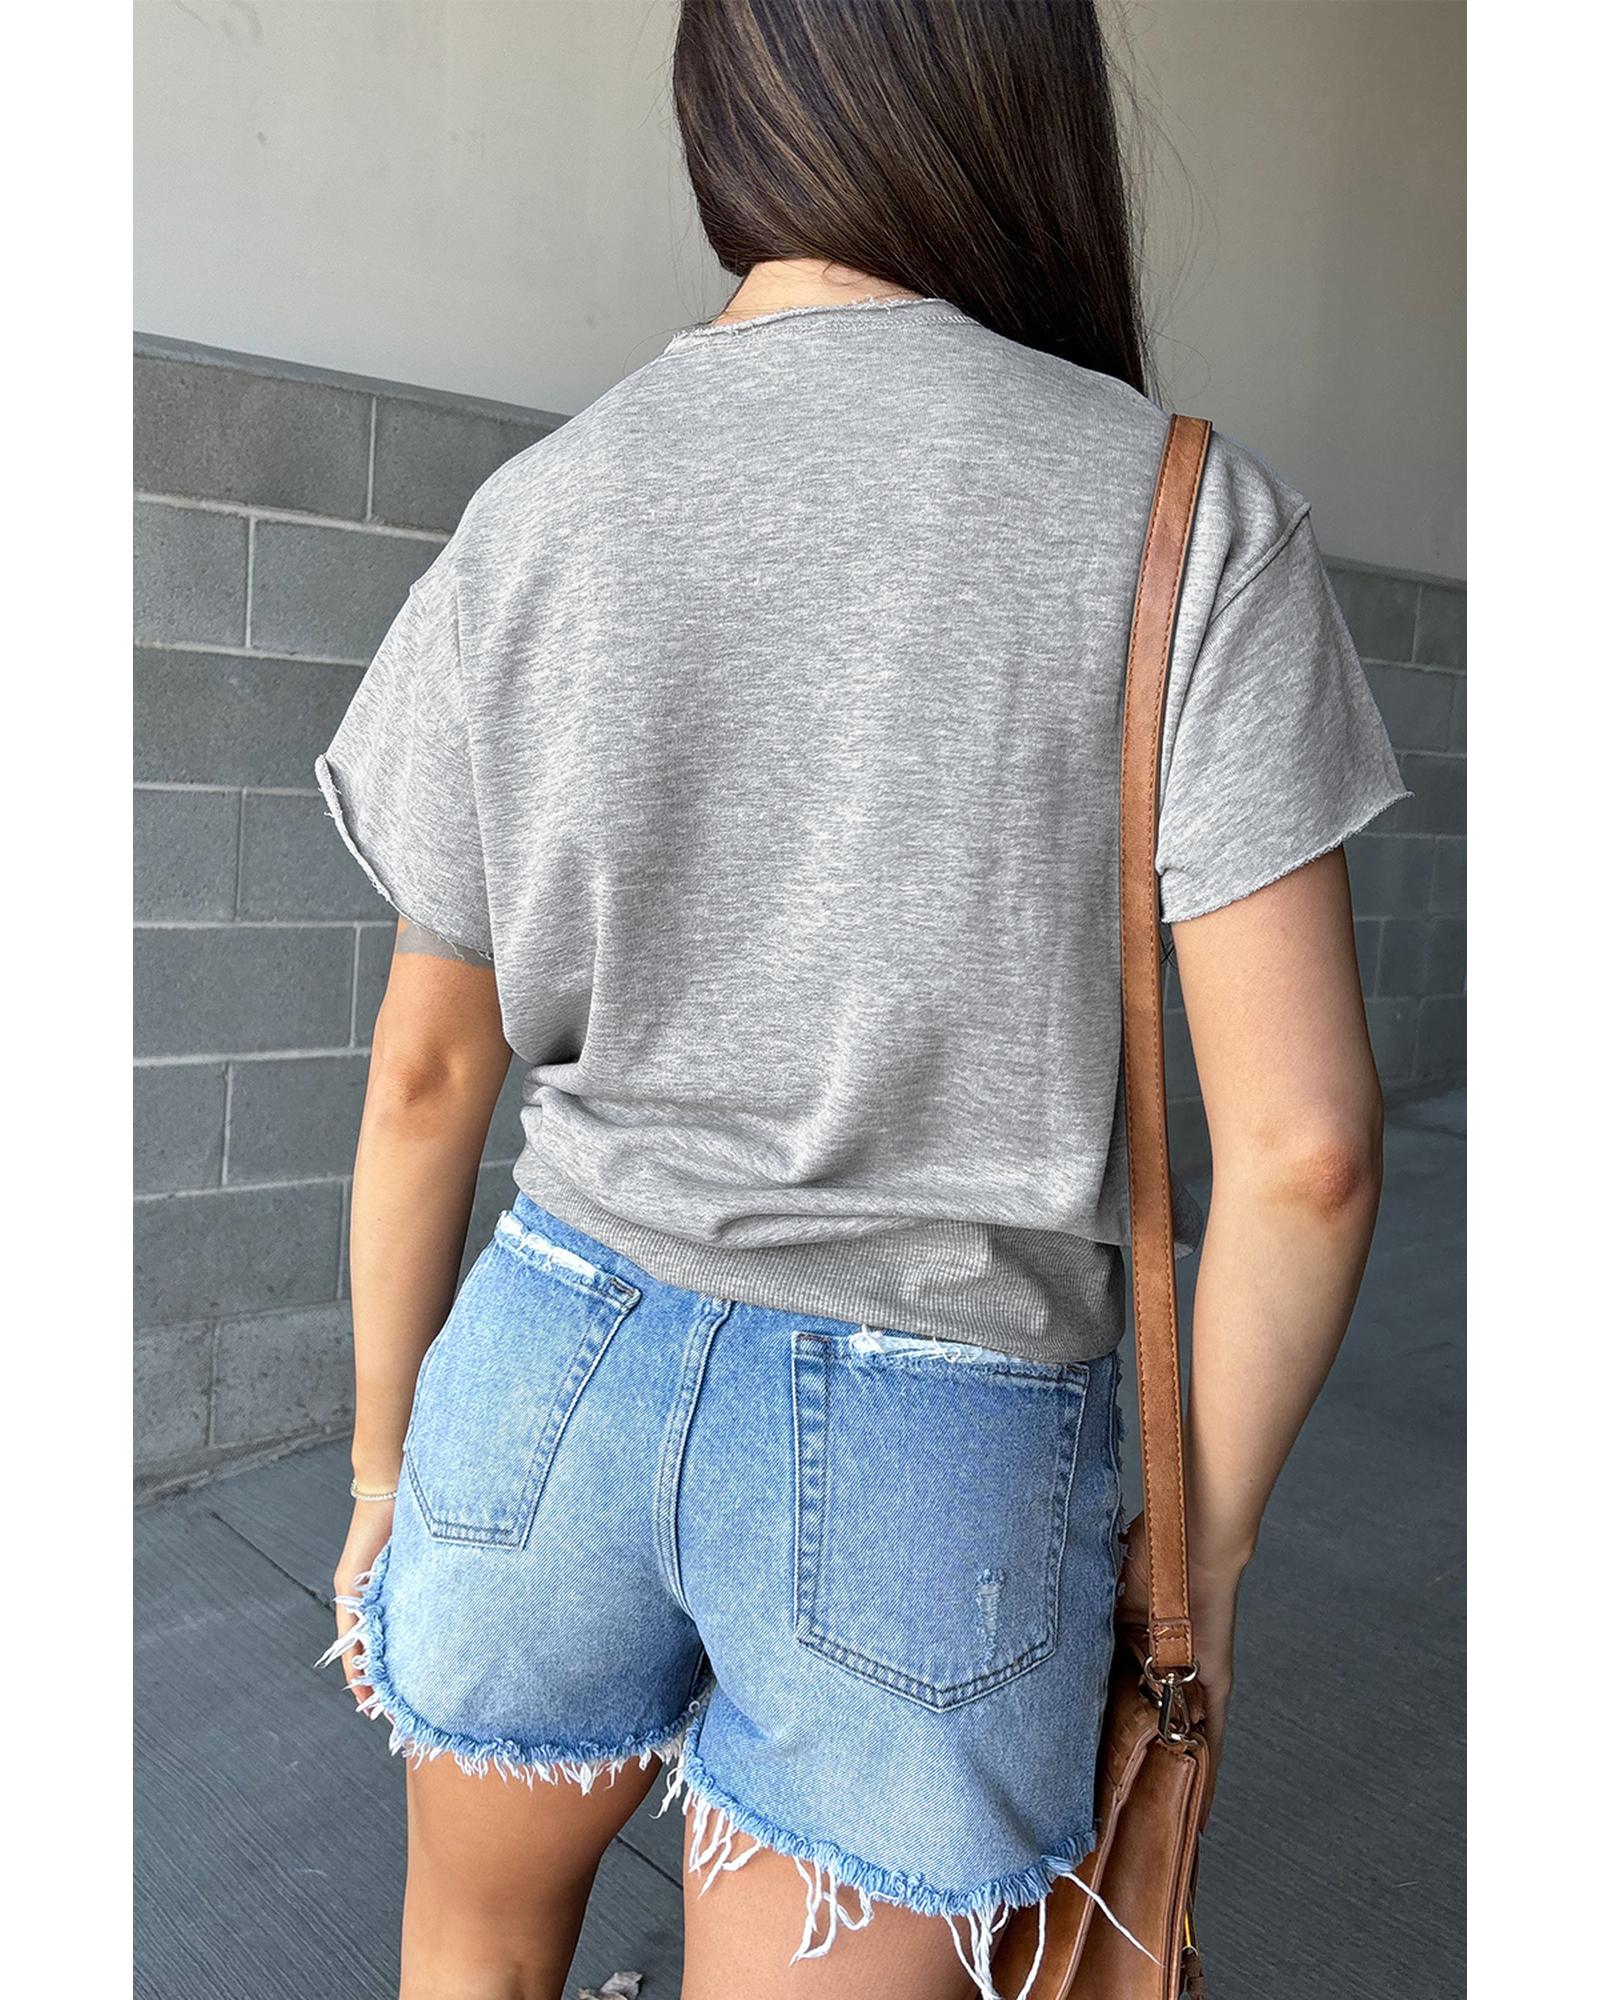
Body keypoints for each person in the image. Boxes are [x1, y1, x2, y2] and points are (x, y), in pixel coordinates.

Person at [315, 2, 1406, 1995]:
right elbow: (1307, 1154)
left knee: (468, 1950)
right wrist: (1198, 1559)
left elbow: (422, 1076)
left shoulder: (544, 504)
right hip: (934, 1457)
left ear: (724, 114)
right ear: (1022, 102)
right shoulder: (1184, 517)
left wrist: (386, 1466)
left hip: (548, 1366)